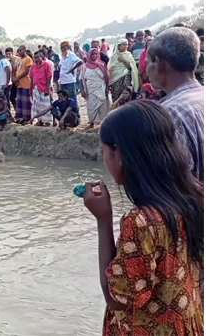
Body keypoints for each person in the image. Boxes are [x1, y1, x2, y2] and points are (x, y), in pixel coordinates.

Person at [82, 100, 204, 335]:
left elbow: (117, 298)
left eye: (104, 151)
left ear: (120, 155)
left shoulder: (141, 223)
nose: (104, 158)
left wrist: (103, 220)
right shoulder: (196, 196)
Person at [146, 27, 204, 181]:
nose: (146, 70)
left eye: (147, 63)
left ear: (158, 63)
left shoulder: (169, 113)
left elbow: (174, 188)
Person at [82, 48, 110, 128]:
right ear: (89, 55)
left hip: (101, 87)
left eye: (96, 54)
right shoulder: (85, 67)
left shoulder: (102, 65)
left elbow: (106, 78)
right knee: (91, 106)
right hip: (90, 89)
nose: (94, 55)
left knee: (103, 105)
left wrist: (107, 88)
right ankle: (91, 123)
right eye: (93, 54)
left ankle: (103, 123)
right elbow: (83, 79)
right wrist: (83, 90)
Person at [29, 51, 53, 126]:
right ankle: (40, 120)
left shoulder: (46, 65)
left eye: (38, 57)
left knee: (45, 105)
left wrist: (47, 88)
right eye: (35, 58)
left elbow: (49, 77)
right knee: (37, 105)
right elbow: (32, 78)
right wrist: (30, 89)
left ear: (41, 57)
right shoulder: (33, 66)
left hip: (44, 87)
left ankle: (47, 122)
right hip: (36, 88)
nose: (36, 59)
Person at [12, 46, 33, 124]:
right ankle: (21, 117)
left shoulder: (28, 59)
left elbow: (27, 71)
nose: (19, 52)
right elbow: (16, 69)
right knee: (20, 101)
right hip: (19, 84)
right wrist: (14, 78)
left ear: (24, 50)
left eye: (21, 51)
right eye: (18, 51)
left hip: (26, 83)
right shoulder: (19, 59)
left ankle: (27, 118)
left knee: (26, 102)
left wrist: (17, 78)